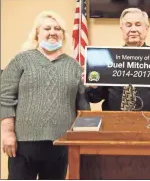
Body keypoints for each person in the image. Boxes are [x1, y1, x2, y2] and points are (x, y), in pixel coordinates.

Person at [1, 11, 90, 179]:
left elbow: (82, 104)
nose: (52, 32)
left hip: (61, 143)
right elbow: (5, 98)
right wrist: (7, 133)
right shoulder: (21, 60)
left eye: (58, 29)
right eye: (47, 28)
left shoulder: (73, 66)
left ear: (63, 35)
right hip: (23, 144)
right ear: (37, 33)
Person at [85, 8, 150, 111]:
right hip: (114, 123)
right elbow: (94, 98)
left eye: (138, 24)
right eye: (128, 25)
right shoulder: (108, 59)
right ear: (121, 29)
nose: (133, 30)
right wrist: (93, 87)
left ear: (146, 29)